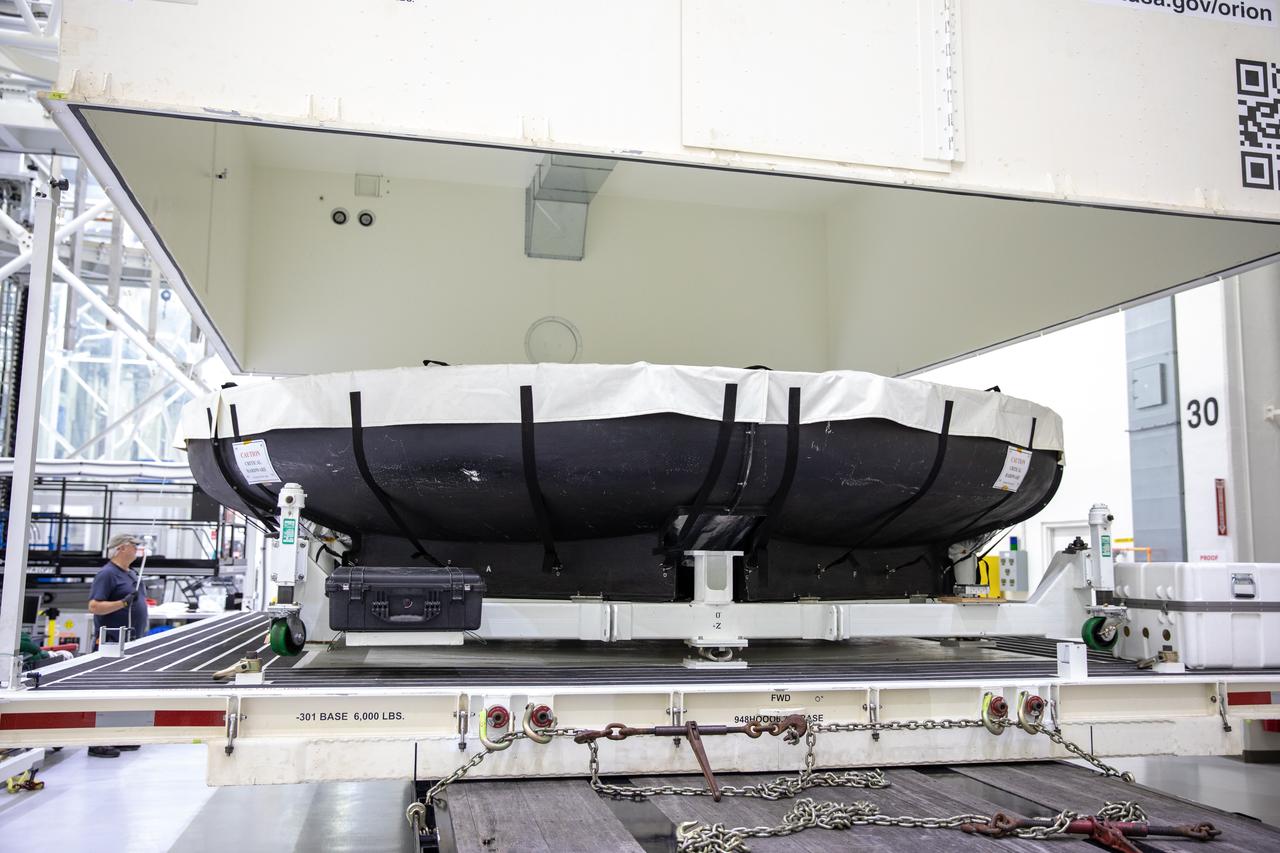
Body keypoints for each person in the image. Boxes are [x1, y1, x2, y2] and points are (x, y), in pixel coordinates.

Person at [86, 533, 148, 758]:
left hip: (131, 643)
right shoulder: (107, 574)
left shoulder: (130, 573)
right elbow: (94, 606)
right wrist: (122, 603)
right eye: (134, 546)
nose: (137, 550)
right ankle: (97, 742)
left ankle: (118, 736)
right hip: (111, 643)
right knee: (105, 692)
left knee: (123, 691)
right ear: (121, 548)